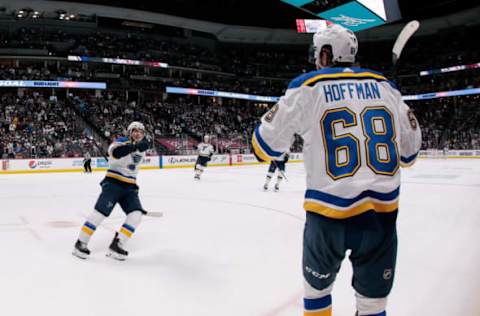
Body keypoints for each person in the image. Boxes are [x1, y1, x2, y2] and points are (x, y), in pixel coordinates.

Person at [251, 24, 421, 316]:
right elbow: (410, 153)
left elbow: (262, 146)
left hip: (328, 217)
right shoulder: (386, 87)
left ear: (326, 55)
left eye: (317, 53)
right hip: (381, 219)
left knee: (316, 295)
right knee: (373, 306)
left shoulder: (308, 86)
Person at [72, 121, 150, 261]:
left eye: (140, 131)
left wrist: (138, 146)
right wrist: (135, 146)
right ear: (129, 132)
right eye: (135, 130)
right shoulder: (121, 141)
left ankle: (117, 244)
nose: (138, 133)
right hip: (113, 182)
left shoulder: (143, 147)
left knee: (136, 214)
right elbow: (116, 152)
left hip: (130, 187)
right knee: (100, 212)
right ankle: (80, 243)